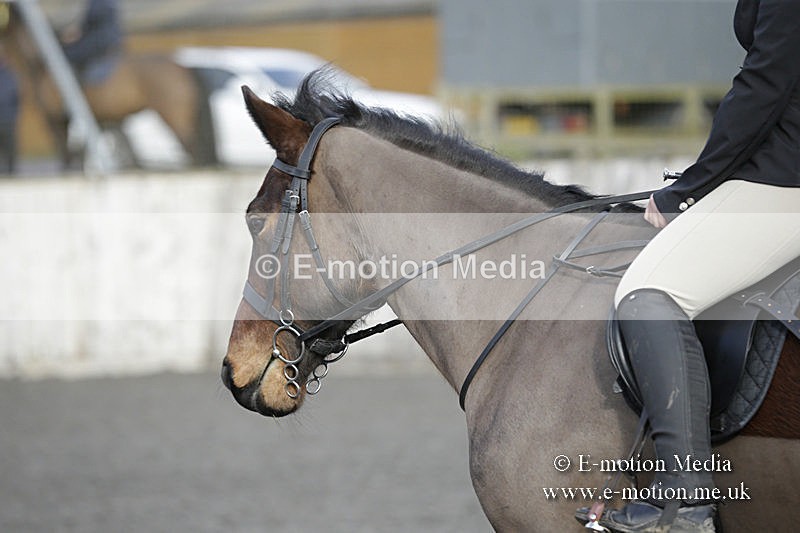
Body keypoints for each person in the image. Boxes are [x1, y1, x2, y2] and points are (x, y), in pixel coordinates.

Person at [587, 1, 800, 531]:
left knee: (648, 292)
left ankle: (683, 502)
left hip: (788, 181)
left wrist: (686, 192)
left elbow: (765, 85)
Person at [61, 0, 122, 85]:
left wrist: (79, 31)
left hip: (100, 40)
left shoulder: (100, 3)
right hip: (103, 38)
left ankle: (72, 86)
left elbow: (95, 17)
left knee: (65, 54)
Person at [0, 47, 19, 174]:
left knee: (9, 147)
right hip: (7, 115)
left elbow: (16, 96)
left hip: (7, 117)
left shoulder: (10, 75)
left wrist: (13, 113)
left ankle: (11, 172)